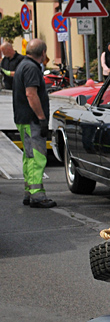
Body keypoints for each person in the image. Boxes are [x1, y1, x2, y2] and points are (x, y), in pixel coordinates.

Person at [13, 39, 55, 208]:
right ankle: (37, 196)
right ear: (43, 53)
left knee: (29, 156)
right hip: (32, 119)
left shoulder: (23, 65)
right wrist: (42, 118)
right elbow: (31, 94)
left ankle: (29, 191)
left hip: (23, 118)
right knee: (37, 157)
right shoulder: (31, 68)